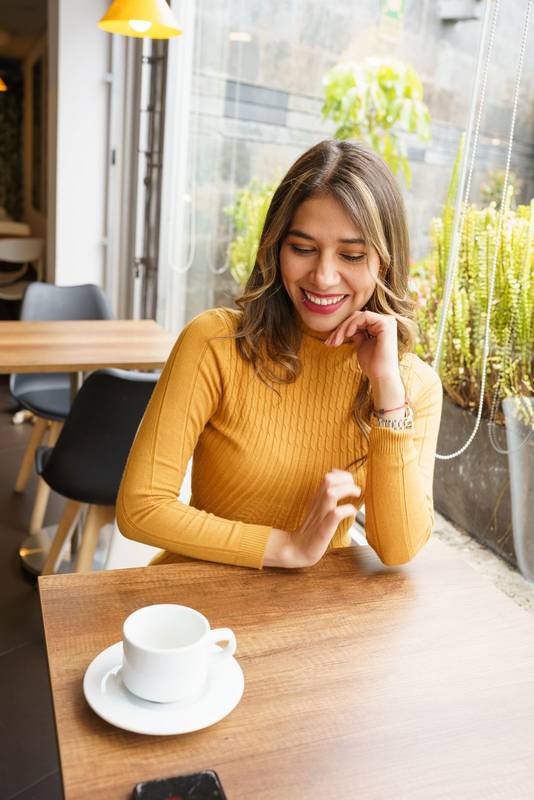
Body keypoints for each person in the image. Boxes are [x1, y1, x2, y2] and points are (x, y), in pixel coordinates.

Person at [117, 139, 443, 570]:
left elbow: (398, 549)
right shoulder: (216, 342)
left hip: (309, 617)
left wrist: (386, 387)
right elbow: (140, 507)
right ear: (275, 247)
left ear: (385, 262)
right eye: (303, 248)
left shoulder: (412, 387)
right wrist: (286, 548)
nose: (324, 277)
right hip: (192, 608)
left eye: (352, 254)